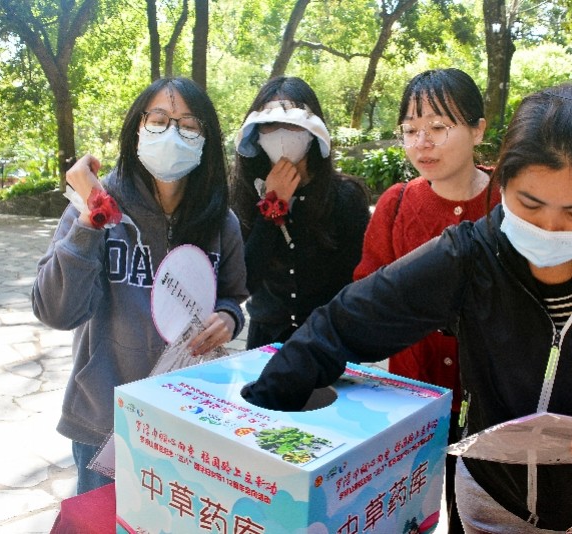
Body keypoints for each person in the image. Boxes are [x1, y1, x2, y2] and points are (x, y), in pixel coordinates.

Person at [242, 83, 572, 532]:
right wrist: (253, 421)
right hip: (490, 503)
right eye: (529, 205)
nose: (551, 229)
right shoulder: (468, 258)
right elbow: (341, 326)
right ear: (503, 180)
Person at [32, 77, 248, 495]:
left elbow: (233, 297)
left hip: (188, 419)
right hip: (105, 421)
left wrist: (228, 317)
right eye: (160, 120)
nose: (173, 133)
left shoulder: (222, 222)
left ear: (206, 139)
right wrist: (88, 220)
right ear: (137, 129)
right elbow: (55, 310)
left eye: (189, 125)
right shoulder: (98, 205)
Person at [353, 68, 497, 534]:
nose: (422, 143)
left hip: (495, 406)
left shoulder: (512, 201)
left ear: (478, 129)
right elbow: (367, 298)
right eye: (410, 131)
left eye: (438, 127)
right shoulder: (395, 206)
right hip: (414, 402)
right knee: (409, 516)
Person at [230, 76, 370, 350]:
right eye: (270, 124)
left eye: (293, 124)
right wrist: (272, 204)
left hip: (327, 343)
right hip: (265, 342)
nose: (282, 132)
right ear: (256, 134)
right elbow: (243, 281)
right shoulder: (245, 194)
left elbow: (356, 282)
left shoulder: (345, 197)